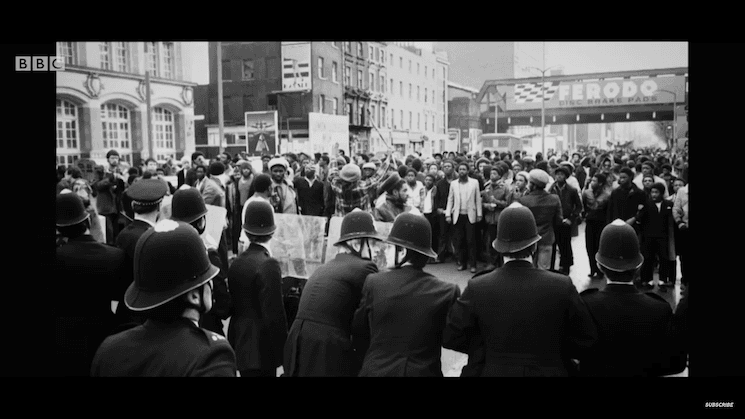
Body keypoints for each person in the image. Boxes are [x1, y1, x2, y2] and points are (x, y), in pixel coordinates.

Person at [443, 202, 597, 377]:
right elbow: (586, 339)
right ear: (534, 246)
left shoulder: (478, 286)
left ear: (498, 248)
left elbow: (452, 336)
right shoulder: (561, 285)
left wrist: (486, 350)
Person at [90, 219, 237, 377]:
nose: (211, 285)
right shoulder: (210, 357)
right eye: (206, 280)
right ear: (194, 296)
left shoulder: (110, 350)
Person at [352, 213, 461, 376]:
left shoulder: (374, 283)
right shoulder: (446, 292)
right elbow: (452, 339)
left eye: (389, 247)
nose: (385, 252)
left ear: (402, 252)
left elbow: (359, 331)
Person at [284, 210, 383, 377]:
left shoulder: (325, 267)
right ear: (357, 243)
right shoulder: (365, 268)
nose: (374, 249)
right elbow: (367, 318)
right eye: (371, 243)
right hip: (326, 346)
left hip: (297, 340)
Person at [578, 219, 681, 377]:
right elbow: (675, 364)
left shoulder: (584, 306)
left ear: (599, 265)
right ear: (638, 266)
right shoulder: (660, 309)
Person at [55, 193, 128, 376]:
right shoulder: (116, 256)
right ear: (87, 221)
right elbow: (124, 304)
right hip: (105, 336)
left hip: (65, 341)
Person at [228, 200, 288, 377]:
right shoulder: (268, 264)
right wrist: (284, 353)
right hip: (261, 347)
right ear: (273, 231)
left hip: (239, 341)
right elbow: (274, 314)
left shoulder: (237, 262)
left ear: (246, 231)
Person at [170, 188, 232, 336]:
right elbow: (224, 306)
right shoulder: (208, 256)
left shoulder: (167, 251)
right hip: (205, 331)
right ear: (201, 223)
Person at [113, 178, 169, 332]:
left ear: (133, 206)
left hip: (126, 309)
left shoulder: (123, 235)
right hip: (149, 314)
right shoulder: (155, 238)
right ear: (159, 206)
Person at [518, 169, 562, 270]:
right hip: (547, 238)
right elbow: (559, 220)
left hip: (529, 239)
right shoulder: (554, 199)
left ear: (532, 184)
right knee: (544, 269)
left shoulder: (524, 200)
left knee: (529, 269)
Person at [635, 182, 676, 289]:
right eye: (652, 192)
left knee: (663, 258)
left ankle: (663, 280)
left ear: (661, 193)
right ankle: (647, 280)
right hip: (648, 236)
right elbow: (639, 219)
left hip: (663, 236)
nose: (654, 194)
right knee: (648, 258)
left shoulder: (668, 204)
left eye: (656, 192)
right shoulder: (646, 204)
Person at [445, 162, 483, 273]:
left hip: (470, 215)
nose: (462, 171)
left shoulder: (474, 183)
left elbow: (477, 200)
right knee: (459, 241)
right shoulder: (454, 184)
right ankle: (462, 263)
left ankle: (473, 264)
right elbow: (450, 199)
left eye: (464, 169)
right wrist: (448, 214)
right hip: (458, 215)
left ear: (467, 171)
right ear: (458, 171)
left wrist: (479, 214)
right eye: (460, 169)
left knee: (471, 241)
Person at [328, 155, 393, 217]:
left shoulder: (337, 186)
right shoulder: (362, 187)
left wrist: (334, 156)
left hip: (342, 222)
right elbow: (377, 177)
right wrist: (388, 159)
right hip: (362, 221)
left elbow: (332, 173)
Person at [548, 165, 582, 275]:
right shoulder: (550, 189)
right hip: (553, 222)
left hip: (566, 222)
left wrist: (572, 218)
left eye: (562, 174)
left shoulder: (572, 190)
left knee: (565, 246)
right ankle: (551, 268)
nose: (559, 176)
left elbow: (578, 206)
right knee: (552, 246)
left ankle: (565, 268)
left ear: (566, 177)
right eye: (557, 174)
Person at [92, 150, 127, 245]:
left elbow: (123, 189)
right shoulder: (101, 171)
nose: (115, 160)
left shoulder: (121, 171)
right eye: (112, 158)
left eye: (116, 158)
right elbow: (96, 186)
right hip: (106, 207)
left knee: (118, 232)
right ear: (108, 159)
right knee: (109, 233)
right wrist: (110, 179)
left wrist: (122, 181)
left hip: (118, 207)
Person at [582, 173, 612, 279]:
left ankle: (600, 269)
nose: (592, 183)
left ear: (600, 183)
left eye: (594, 181)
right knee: (589, 246)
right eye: (592, 181)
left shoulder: (607, 195)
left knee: (599, 247)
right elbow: (584, 206)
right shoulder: (587, 193)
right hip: (590, 222)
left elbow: (608, 211)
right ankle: (592, 268)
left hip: (601, 223)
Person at [481, 165, 510, 269]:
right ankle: (492, 262)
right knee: (491, 241)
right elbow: (482, 202)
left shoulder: (505, 187)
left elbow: (508, 203)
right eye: (491, 173)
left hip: (500, 218)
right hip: (490, 218)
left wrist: (496, 202)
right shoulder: (487, 187)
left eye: (495, 174)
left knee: (501, 241)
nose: (492, 176)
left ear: (499, 176)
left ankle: (502, 263)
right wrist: (486, 205)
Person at [434, 159, 457, 263]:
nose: (447, 168)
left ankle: (457, 255)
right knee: (443, 234)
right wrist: (437, 208)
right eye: (445, 166)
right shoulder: (439, 184)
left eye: (449, 166)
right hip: (443, 212)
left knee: (456, 235)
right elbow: (436, 198)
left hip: (456, 211)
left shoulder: (457, 183)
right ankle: (441, 255)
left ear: (453, 168)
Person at [672, 180, 689, 288]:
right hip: (686, 228)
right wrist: (679, 222)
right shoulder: (682, 191)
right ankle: (685, 281)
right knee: (685, 257)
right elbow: (676, 209)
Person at [420, 173, 439, 262]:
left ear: (433, 182)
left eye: (430, 180)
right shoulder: (422, 190)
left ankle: (433, 255)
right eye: (426, 180)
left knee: (434, 235)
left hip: (433, 215)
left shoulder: (435, 190)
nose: (428, 182)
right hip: (424, 214)